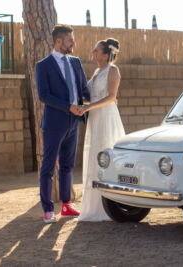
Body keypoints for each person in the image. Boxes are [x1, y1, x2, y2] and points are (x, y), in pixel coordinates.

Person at [35, 25, 90, 223]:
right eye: (70, 40)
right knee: (48, 167)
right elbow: (44, 95)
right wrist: (69, 107)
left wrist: (95, 104)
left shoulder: (75, 62)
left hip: (74, 121)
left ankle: (67, 205)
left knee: (67, 165)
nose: (73, 43)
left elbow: (83, 89)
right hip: (54, 123)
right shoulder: (43, 65)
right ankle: (48, 209)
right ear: (59, 41)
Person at [77, 38, 125, 221]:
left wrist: (88, 108)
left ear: (106, 54)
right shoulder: (97, 71)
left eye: (96, 50)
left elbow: (111, 97)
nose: (92, 52)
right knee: (94, 156)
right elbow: (91, 96)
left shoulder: (113, 70)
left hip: (106, 117)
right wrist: (80, 103)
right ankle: (93, 206)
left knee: (105, 155)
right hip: (95, 118)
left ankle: (110, 206)